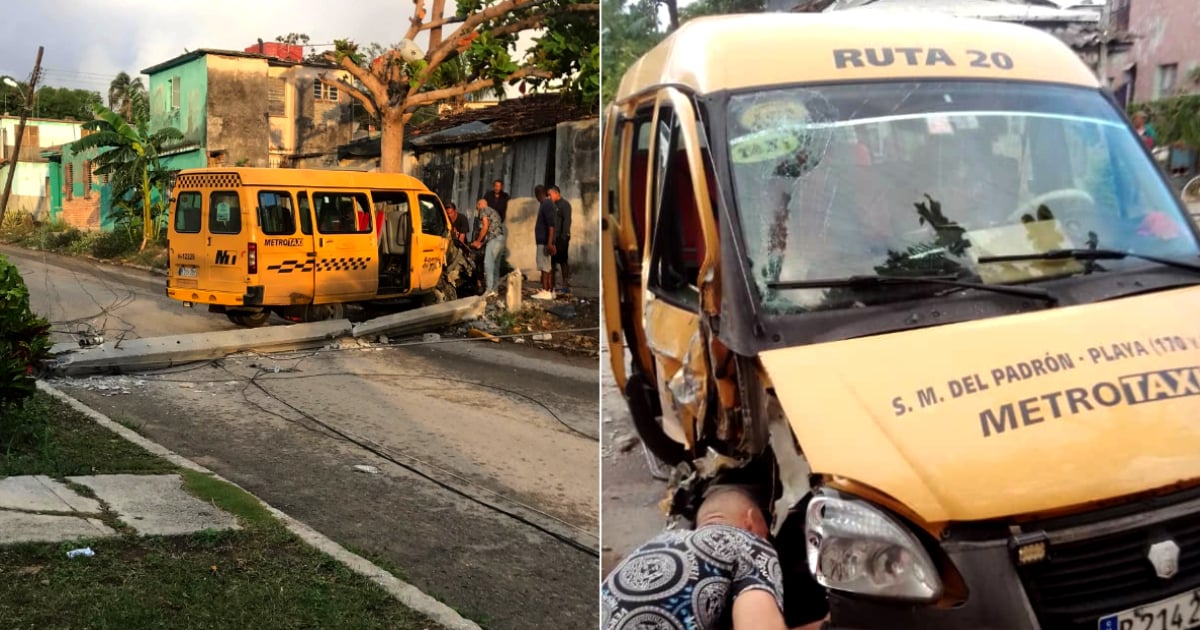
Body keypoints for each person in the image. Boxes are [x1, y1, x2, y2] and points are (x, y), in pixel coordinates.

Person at [602, 485, 805, 630]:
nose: (766, 538)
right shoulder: (748, 542)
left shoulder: (659, 542)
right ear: (750, 520)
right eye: (766, 532)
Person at [471, 197, 506, 296]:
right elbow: (493, 229)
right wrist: (482, 244)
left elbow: (485, 227)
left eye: (477, 206)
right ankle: (495, 290)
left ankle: (489, 289)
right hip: (500, 238)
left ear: (479, 204)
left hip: (494, 240)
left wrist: (477, 241)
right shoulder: (493, 211)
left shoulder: (483, 210)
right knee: (495, 265)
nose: (477, 209)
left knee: (488, 263)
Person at [532, 187, 557, 300]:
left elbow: (551, 226)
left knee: (545, 267)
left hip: (544, 241)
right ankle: (549, 290)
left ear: (538, 194)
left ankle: (546, 290)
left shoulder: (546, 204)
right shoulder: (547, 204)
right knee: (547, 266)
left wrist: (549, 243)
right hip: (543, 241)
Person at [549, 185, 572, 295]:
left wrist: (564, 236)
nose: (549, 197)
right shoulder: (551, 205)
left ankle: (565, 284)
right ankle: (551, 284)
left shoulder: (565, 205)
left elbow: (567, 221)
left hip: (562, 237)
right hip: (553, 237)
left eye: (550, 194)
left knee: (563, 261)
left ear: (557, 193)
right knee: (552, 262)